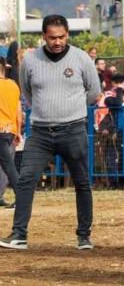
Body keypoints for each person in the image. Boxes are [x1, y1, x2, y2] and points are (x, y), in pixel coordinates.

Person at [0, 15, 102, 251]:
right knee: (25, 180)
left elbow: (93, 91)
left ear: (68, 34)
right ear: (44, 36)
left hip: (74, 129)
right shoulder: (30, 61)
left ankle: (84, 236)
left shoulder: (81, 59)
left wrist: (72, 108)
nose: (57, 42)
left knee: (82, 182)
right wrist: (47, 110)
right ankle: (18, 235)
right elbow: (27, 93)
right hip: (40, 133)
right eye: (52, 37)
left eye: (62, 37)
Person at [0, 62, 22, 209]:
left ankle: (22, 197)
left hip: (1, 129)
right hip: (9, 130)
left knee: (8, 167)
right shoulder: (13, 86)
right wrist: (18, 131)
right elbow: (18, 110)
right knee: (7, 165)